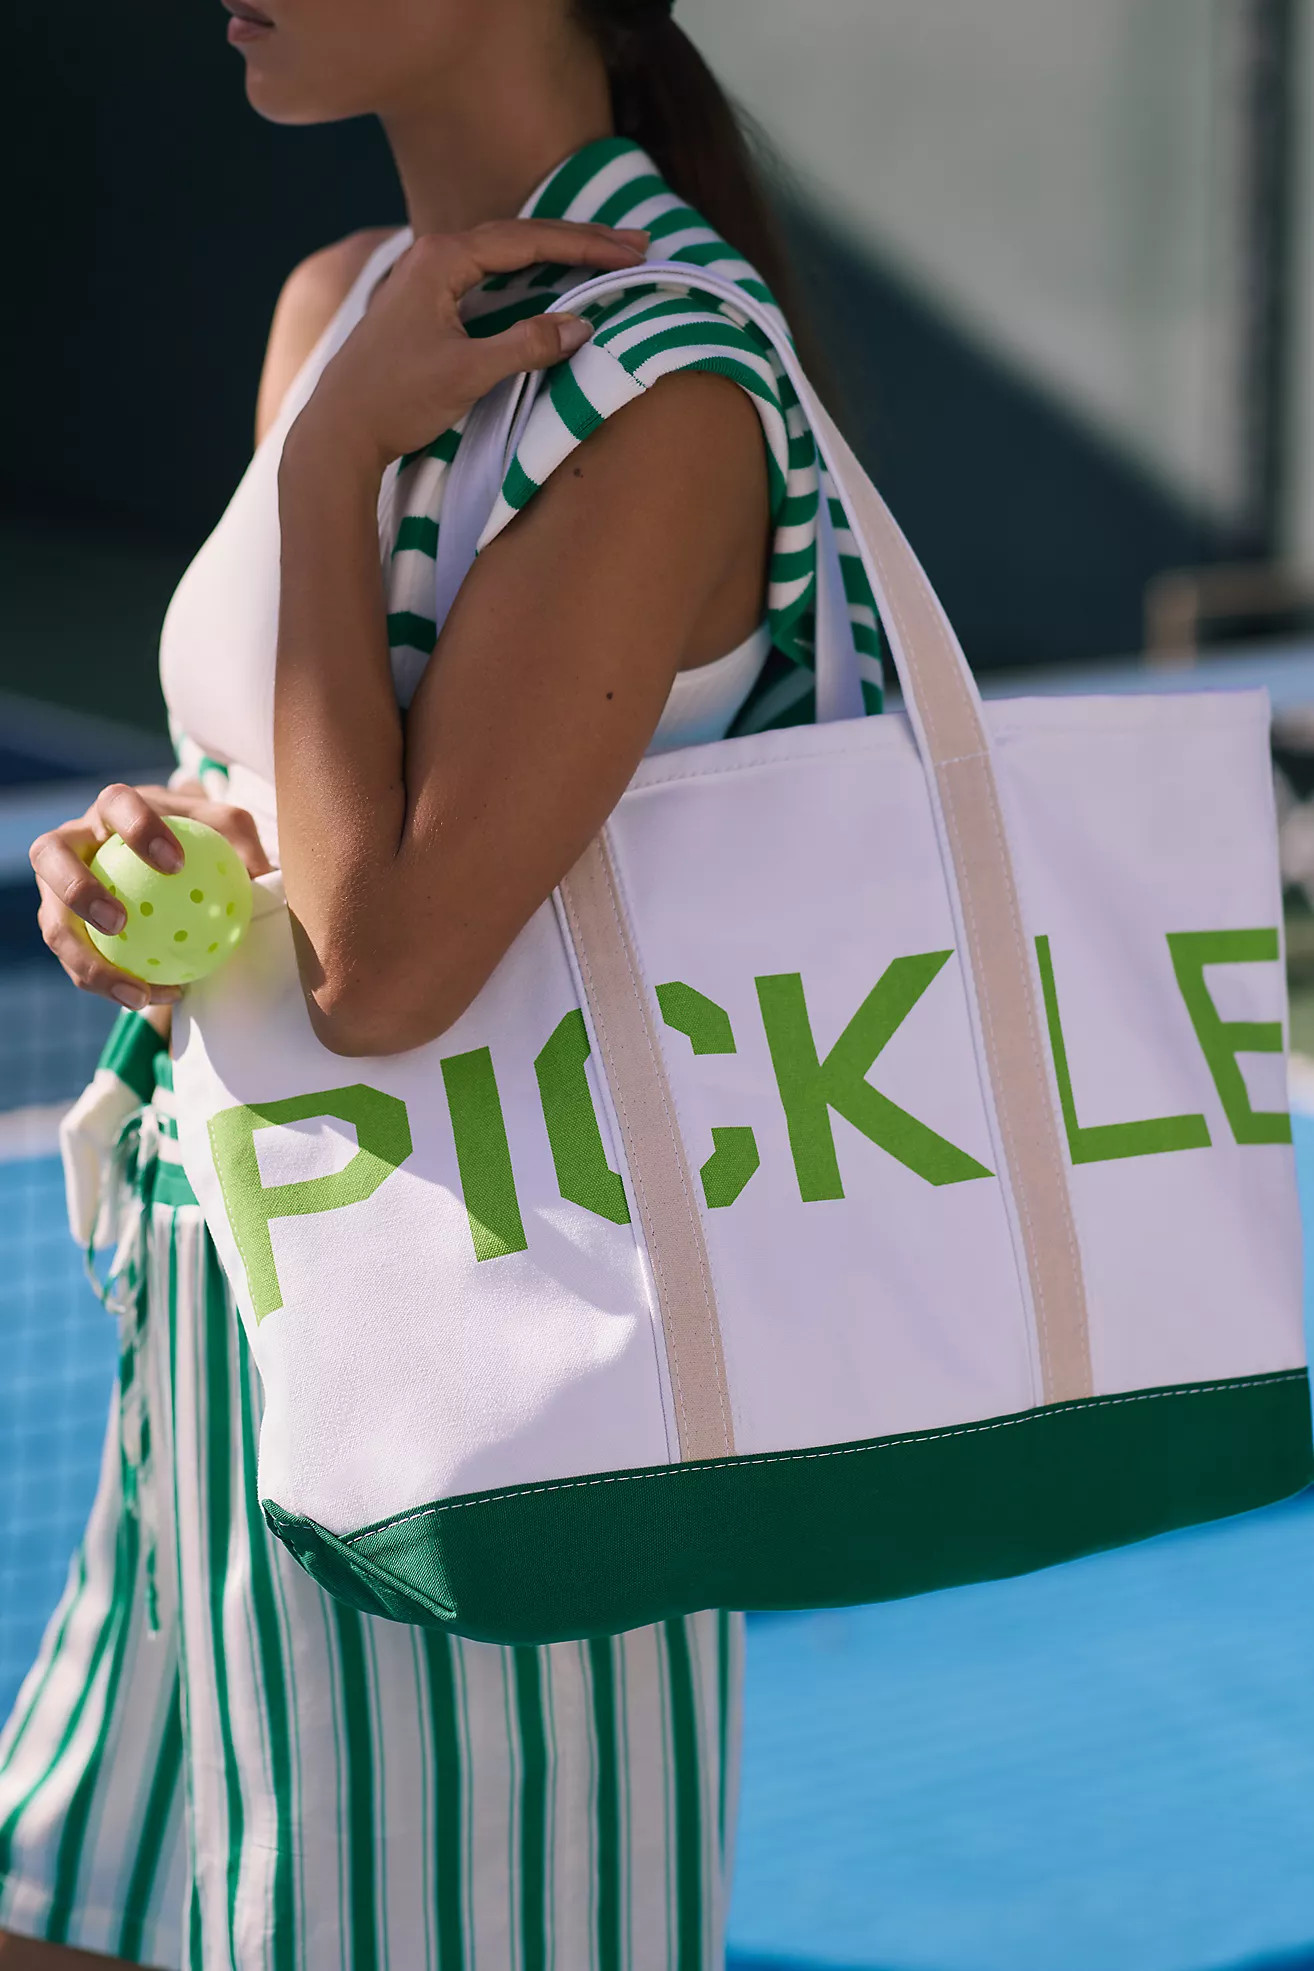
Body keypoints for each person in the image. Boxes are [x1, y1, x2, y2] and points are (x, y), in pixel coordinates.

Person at [0, 0, 882, 1963]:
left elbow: (387, 965)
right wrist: (177, 864)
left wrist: (328, 470)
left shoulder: (665, 381)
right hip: (235, 1325)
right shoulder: (343, 300)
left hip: (503, 1415)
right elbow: (321, 823)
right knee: (59, 1906)